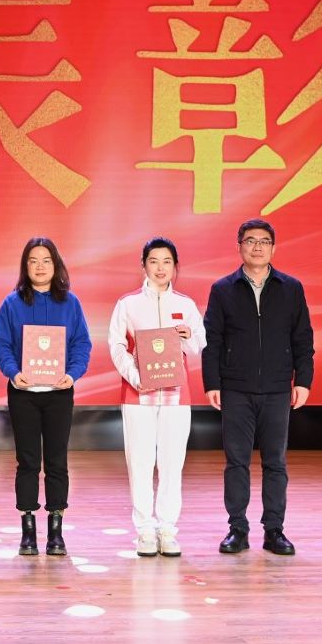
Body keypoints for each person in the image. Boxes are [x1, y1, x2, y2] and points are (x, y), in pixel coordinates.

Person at [203, 218, 314, 557]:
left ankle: (274, 530)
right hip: (236, 389)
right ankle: (237, 529)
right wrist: (212, 383)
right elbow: (213, 340)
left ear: (273, 248)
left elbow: (303, 338)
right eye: (250, 241)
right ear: (239, 246)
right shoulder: (223, 289)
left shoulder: (291, 288)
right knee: (236, 462)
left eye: (264, 241)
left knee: (275, 462)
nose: (257, 247)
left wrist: (303, 380)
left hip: (278, 388)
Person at [0, 237, 92, 556]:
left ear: (56, 264)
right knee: (28, 461)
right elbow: (0, 342)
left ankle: (56, 531)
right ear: (25, 266)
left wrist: (72, 374)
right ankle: (28, 530)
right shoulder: (12, 303)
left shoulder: (71, 303)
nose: (39, 266)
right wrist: (12, 371)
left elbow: (82, 343)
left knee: (57, 460)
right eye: (33, 261)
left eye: (46, 260)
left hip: (59, 393)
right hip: (23, 393)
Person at [108, 237, 206, 558]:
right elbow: (116, 346)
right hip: (138, 395)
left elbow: (200, 344)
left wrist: (189, 336)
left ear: (175, 267)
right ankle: (145, 531)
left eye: (167, 262)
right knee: (140, 462)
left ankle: (167, 529)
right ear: (143, 265)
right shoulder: (128, 304)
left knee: (172, 463)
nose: (160, 268)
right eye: (154, 261)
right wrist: (136, 377)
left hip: (176, 396)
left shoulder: (186, 305)